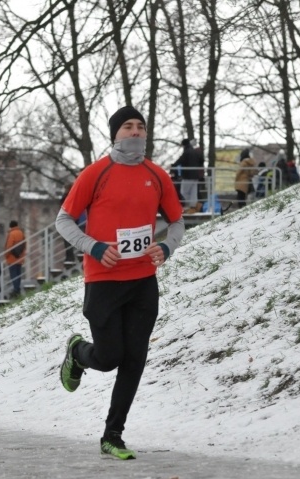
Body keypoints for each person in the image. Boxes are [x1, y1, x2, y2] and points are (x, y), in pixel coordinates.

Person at [56, 105, 184, 460]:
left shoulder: (156, 175)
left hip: (143, 280)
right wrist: (93, 246)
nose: (135, 132)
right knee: (110, 357)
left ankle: (113, 435)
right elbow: (64, 220)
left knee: (135, 359)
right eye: (127, 126)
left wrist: (166, 247)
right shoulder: (96, 174)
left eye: (140, 127)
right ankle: (78, 353)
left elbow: (177, 222)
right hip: (103, 281)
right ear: (115, 134)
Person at [172, 138, 204, 213]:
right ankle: (194, 206)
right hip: (196, 176)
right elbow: (201, 161)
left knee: (184, 191)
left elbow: (181, 160)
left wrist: (173, 165)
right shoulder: (195, 151)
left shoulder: (186, 151)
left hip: (188, 176)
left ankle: (193, 205)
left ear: (184, 145)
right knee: (193, 192)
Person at [4, 221, 26, 298]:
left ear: (10, 226)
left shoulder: (11, 234)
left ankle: (16, 290)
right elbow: (24, 245)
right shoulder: (21, 233)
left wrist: (6, 255)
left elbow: (9, 246)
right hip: (19, 258)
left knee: (13, 275)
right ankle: (17, 289)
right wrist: (21, 255)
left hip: (12, 259)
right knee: (18, 275)